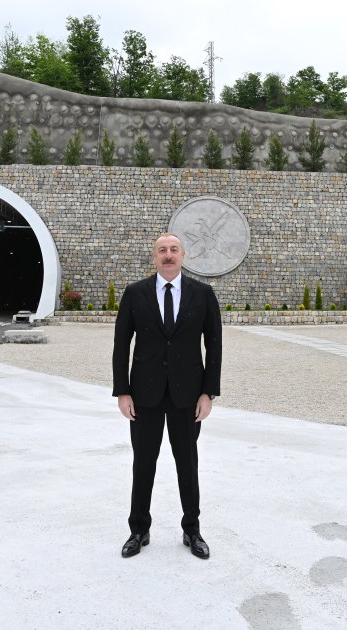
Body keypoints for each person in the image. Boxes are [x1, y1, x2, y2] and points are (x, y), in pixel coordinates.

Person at [112, 233, 222, 559]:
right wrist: (122, 392)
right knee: (143, 464)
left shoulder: (202, 294)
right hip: (143, 395)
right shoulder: (135, 294)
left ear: (183, 255)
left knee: (187, 465)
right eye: (163, 250)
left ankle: (192, 530)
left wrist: (208, 392)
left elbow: (213, 346)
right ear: (154, 256)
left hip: (188, 397)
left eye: (174, 250)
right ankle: (138, 530)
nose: (169, 255)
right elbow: (121, 346)